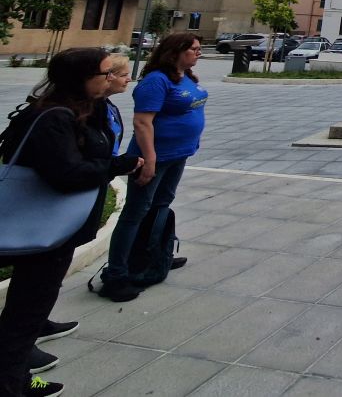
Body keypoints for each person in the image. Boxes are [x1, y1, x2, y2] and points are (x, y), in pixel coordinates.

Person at [0, 48, 143, 397]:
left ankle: (16, 379)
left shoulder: (83, 110)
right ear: (81, 78)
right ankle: (10, 386)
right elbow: (66, 173)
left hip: (53, 228)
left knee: (27, 311)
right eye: (105, 73)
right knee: (25, 314)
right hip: (41, 228)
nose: (111, 79)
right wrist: (116, 166)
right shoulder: (54, 117)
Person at [99, 33, 206, 301]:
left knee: (161, 206)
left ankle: (155, 254)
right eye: (193, 49)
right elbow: (142, 122)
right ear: (175, 51)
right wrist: (150, 159)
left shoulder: (186, 76)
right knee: (136, 212)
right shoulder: (156, 81)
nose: (198, 53)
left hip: (178, 154)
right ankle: (117, 273)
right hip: (154, 157)